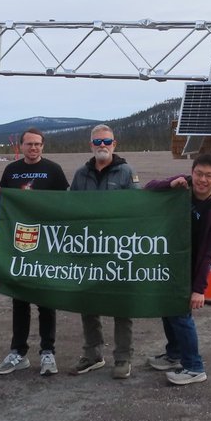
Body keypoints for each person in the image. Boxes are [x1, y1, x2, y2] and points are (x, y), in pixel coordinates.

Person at [0, 127, 69, 377]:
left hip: (45, 244)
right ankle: (18, 352)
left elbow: (67, 204)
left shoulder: (53, 170)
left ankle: (48, 352)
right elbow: (2, 204)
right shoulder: (11, 170)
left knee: (46, 299)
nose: (33, 148)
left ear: (43, 146)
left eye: (37, 144)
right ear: (21, 146)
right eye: (29, 144)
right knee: (19, 297)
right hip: (19, 242)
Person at [145, 152, 211, 385]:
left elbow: (209, 255)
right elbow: (150, 188)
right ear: (192, 172)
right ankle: (175, 354)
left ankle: (194, 366)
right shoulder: (183, 185)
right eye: (199, 174)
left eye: (209, 176)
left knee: (181, 315)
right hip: (169, 261)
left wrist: (199, 289)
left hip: (189, 268)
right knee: (168, 309)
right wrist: (169, 184)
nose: (202, 180)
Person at [67, 124, 139, 378]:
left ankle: (122, 357)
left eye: (106, 142)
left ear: (114, 144)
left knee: (121, 304)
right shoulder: (80, 175)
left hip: (117, 251)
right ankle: (92, 354)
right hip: (88, 249)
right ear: (91, 146)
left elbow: (138, 207)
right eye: (97, 142)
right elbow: (67, 207)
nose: (102, 147)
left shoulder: (125, 172)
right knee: (88, 302)